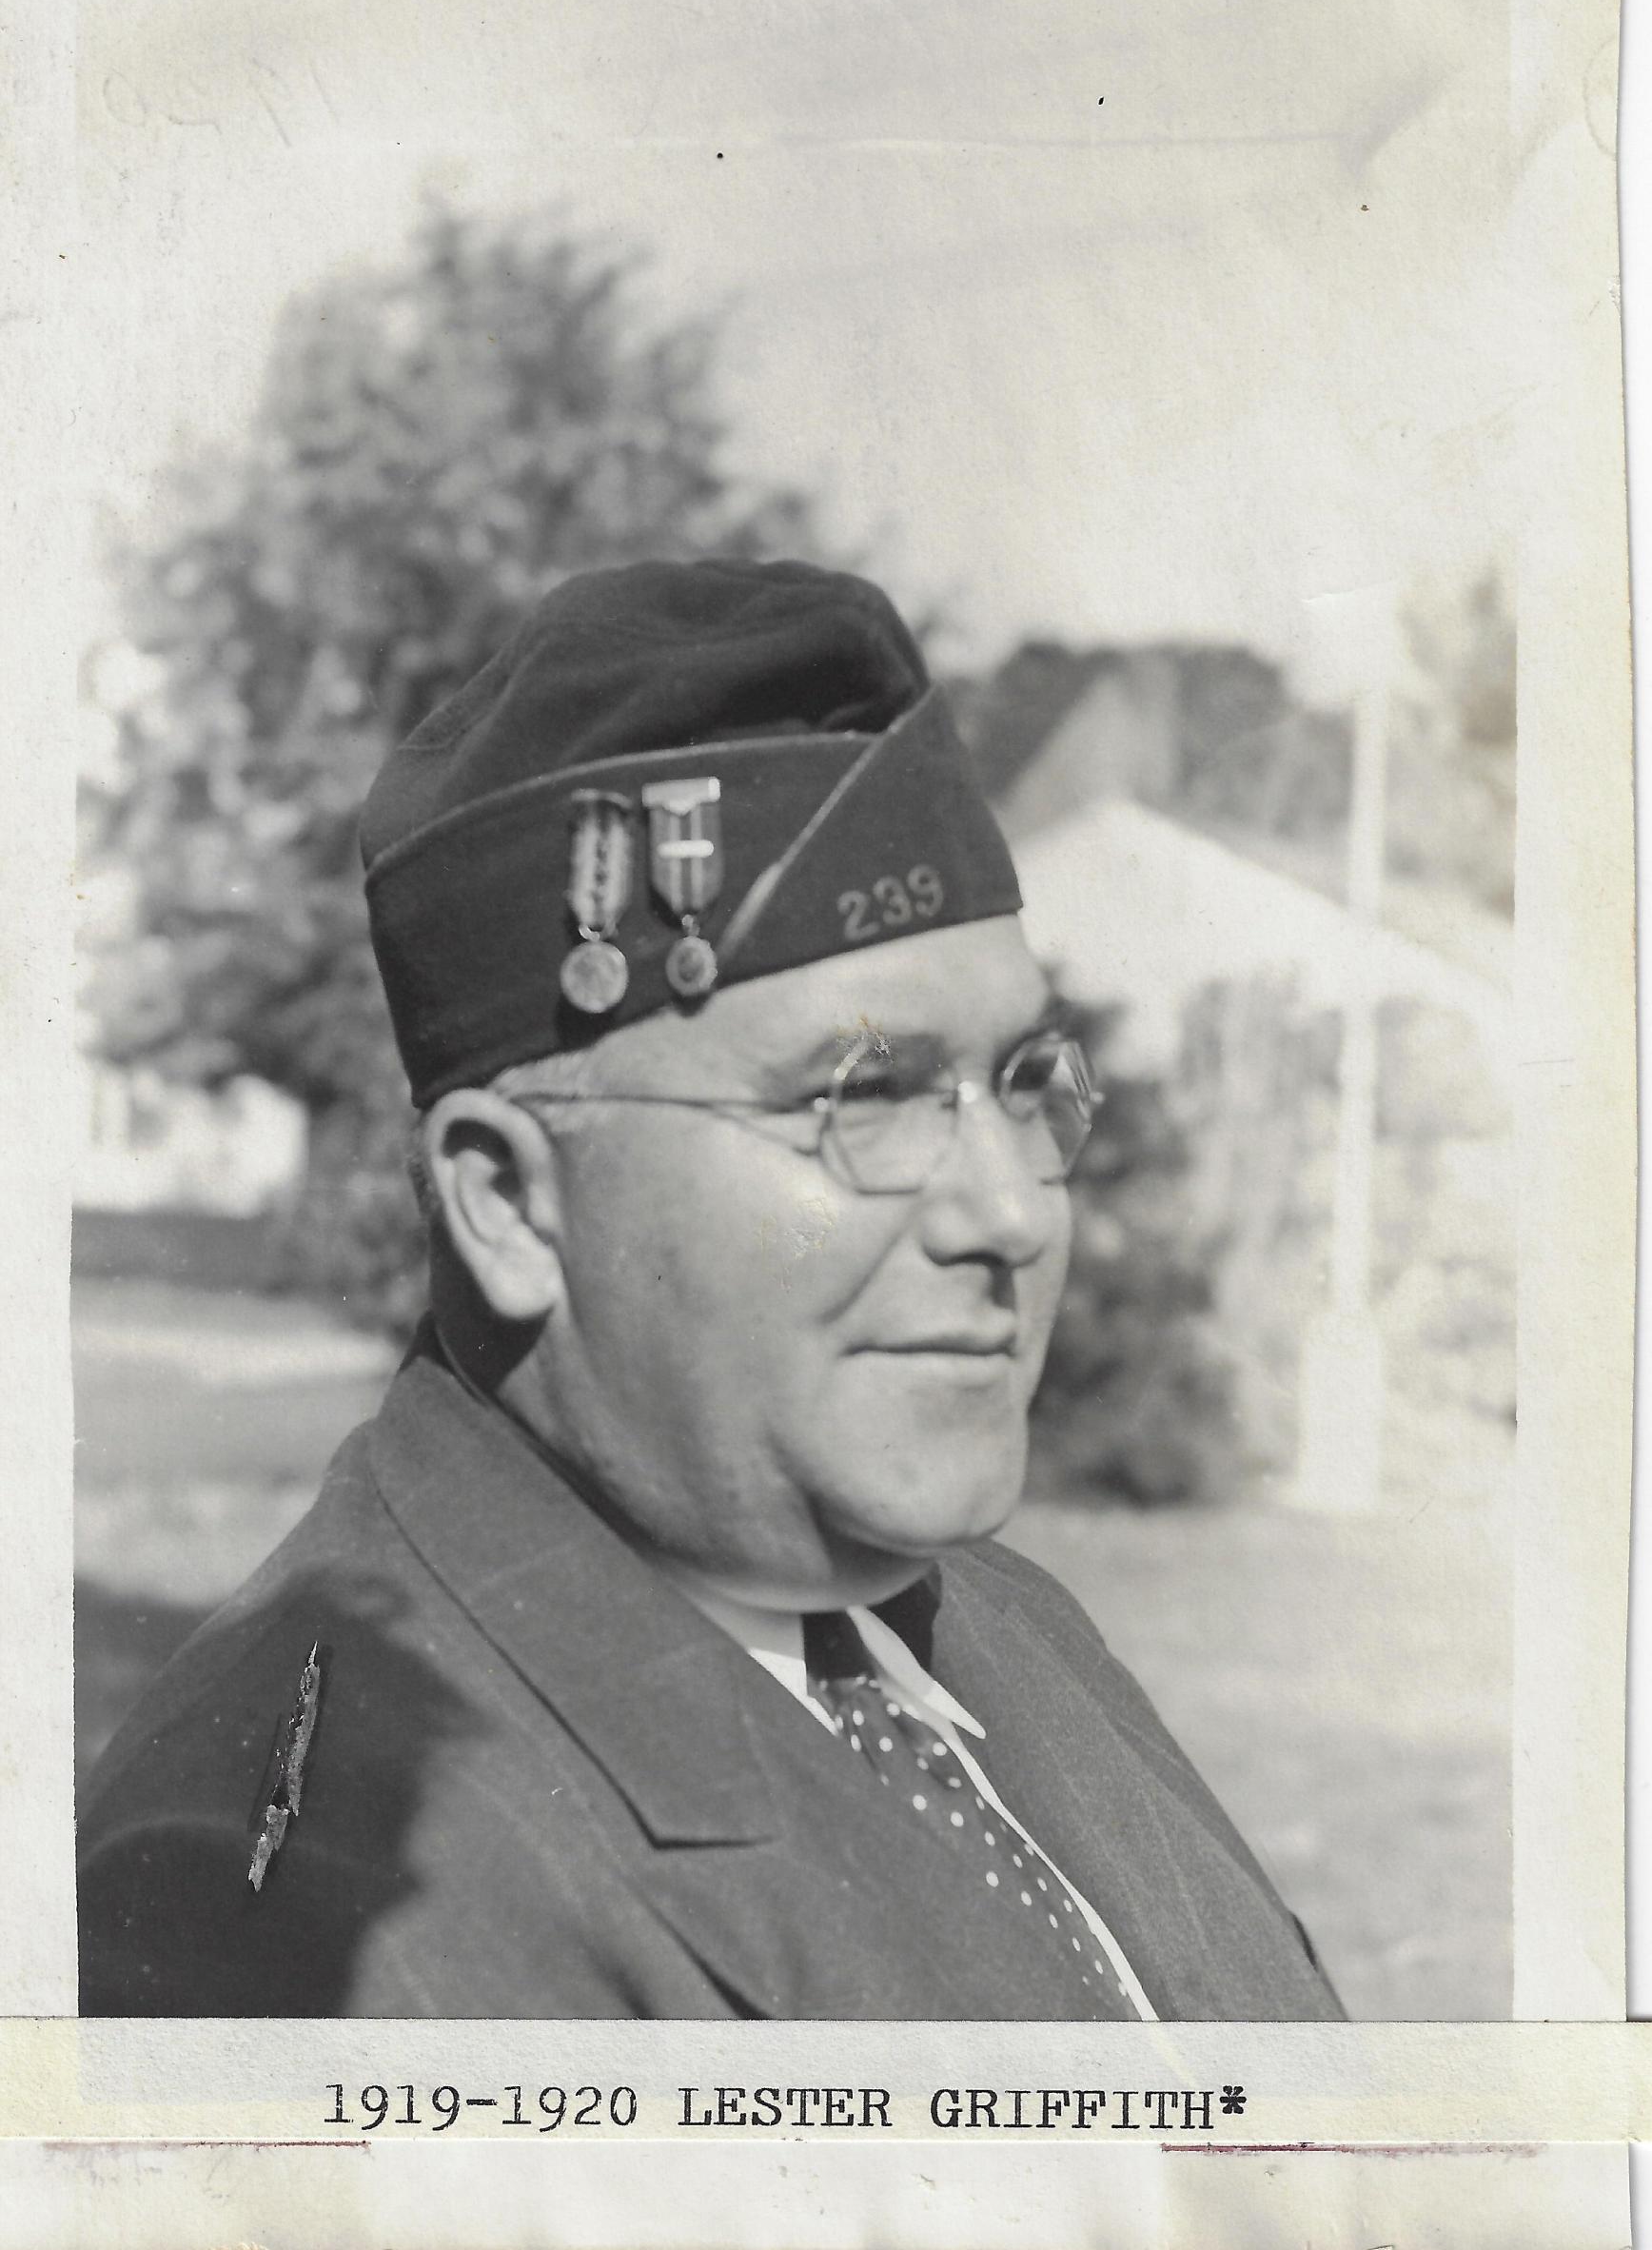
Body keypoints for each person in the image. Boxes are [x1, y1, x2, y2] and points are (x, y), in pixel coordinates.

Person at [78, 559, 1342, 2020]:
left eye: (1020, 1084)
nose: (1012, 1209)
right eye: (866, 1096)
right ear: (508, 1203)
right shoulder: (324, 1904)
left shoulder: (985, 1623)